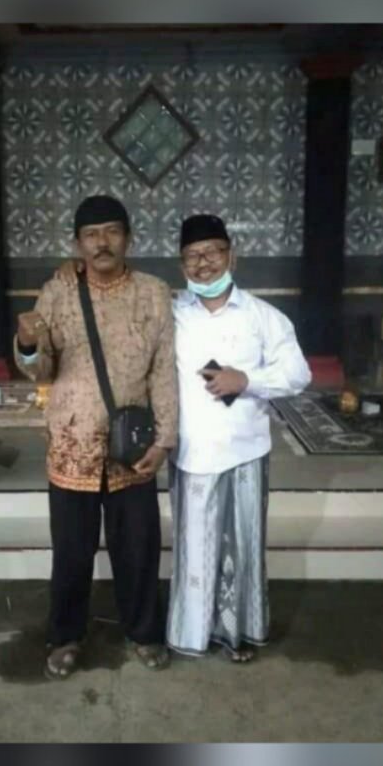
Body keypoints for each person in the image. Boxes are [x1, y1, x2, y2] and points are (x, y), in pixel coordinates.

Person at [14, 194, 178, 681]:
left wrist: (164, 440)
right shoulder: (58, 291)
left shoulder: (153, 293)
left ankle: (144, 632)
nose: (102, 243)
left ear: (129, 238)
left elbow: (164, 371)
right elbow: (39, 371)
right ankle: (65, 636)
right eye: (91, 235)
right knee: (71, 552)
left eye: (111, 232)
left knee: (139, 547)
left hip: (133, 444)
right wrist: (27, 343)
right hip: (73, 442)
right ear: (77, 244)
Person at [167, 213, 311, 663]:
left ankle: (240, 633)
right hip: (192, 451)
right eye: (193, 256)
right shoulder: (170, 315)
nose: (203, 263)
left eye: (213, 252)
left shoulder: (263, 317)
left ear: (233, 256)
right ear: (182, 265)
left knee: (244, 547)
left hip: (246, 450)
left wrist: (246, 380)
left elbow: (298, 374)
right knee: (196, 550)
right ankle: (193, 633)